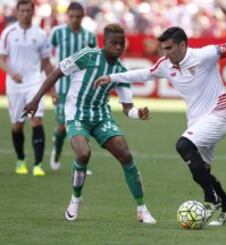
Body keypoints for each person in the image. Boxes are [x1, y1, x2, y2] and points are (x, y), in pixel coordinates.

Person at [94, 26, 226, 225]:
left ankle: (212, 199)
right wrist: (112, 78)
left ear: (183, 45)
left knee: (183, 145)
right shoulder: (165, 65)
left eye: (169, 48)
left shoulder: (203, 55)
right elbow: (144, 74)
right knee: (203, 172)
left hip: (219, 114)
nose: (166, 53)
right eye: (163, 49)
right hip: (197, 120)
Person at [23, 23, 156, 223]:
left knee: (126, 155)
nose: (119, 47)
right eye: (114, 43)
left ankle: (142, 209)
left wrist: (139, 113)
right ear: (105, 42)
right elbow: (56, 72)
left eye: (122, 44)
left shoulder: (121, 71)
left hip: (101, 116)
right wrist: (36, 99)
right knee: (83, 153)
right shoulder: (87, 55)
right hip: (76, 114)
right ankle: (75, 199)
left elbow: (127, 108)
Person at [0, 0, 53, 176]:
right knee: (17, 125)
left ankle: (38, 164)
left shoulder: (40, 34)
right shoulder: (8, 32)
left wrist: (53, 88)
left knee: (36, 120)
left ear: (33, 12)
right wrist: (11, 72)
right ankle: (21, 159)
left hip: (35, 82)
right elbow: (1, 58)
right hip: (14, 84)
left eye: (29, 10)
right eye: (22, 10)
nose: (25, 13)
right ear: (17, 12)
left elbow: (46, 63)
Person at [49, 2, 97, 173]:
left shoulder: (89, 36)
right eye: (72, 16)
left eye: (78, 16)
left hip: (82, 89)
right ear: (67, 15)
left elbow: (94, 61)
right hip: (62, 87)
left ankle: (82, 163)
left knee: (82, 125)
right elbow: (47, 58)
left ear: (83, 16)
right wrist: (51, 88)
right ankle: (57, 148)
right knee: (62, 126)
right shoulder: (57, 32)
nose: (75, 19)